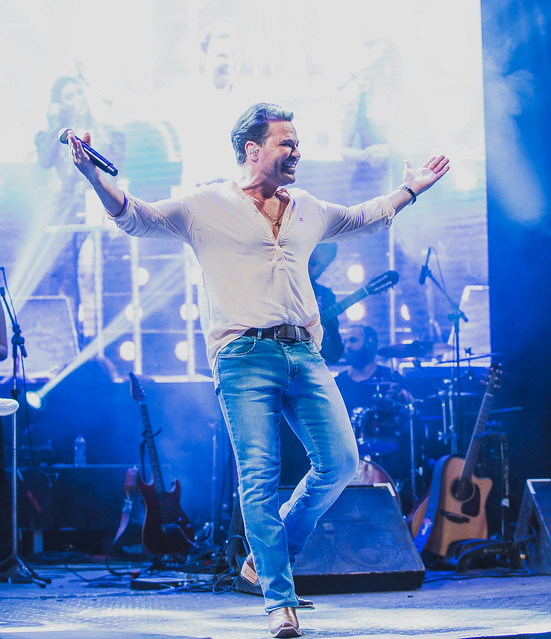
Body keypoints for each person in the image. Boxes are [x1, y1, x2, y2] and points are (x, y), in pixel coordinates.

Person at [66, 102, 449, 638]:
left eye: (297, 143)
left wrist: (410, 189)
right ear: (252, 149)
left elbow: (363, 216)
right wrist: (93, 174)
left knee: (341, 462)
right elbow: (136, 216)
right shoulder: (206, 204)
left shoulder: (306, 206)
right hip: (242, 356)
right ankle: (279, 601)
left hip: (304, 354)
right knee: (259, 476)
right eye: (286, 143)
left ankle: (267, 558)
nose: (297, 152)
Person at [307, 243, 343, 364]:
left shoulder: (326, 295)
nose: (312, 268)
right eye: (311, 261)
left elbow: (335, 354)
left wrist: (324, 334)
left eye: (322, 266)